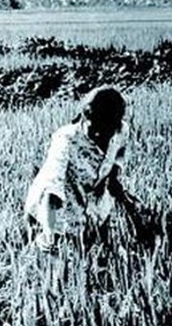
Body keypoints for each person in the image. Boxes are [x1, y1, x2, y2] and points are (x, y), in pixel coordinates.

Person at [25, 86, 128, 252]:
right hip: (59, 204)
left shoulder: (121, 130)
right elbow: (51, 188)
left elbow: (119, 153)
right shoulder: (65, 140)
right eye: (94, 130)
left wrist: (113, 176)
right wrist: (48, 232)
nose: (99, 135)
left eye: (105, 131)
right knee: (62, 249)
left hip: (93, 196)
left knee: (102, 245)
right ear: (85, 118)